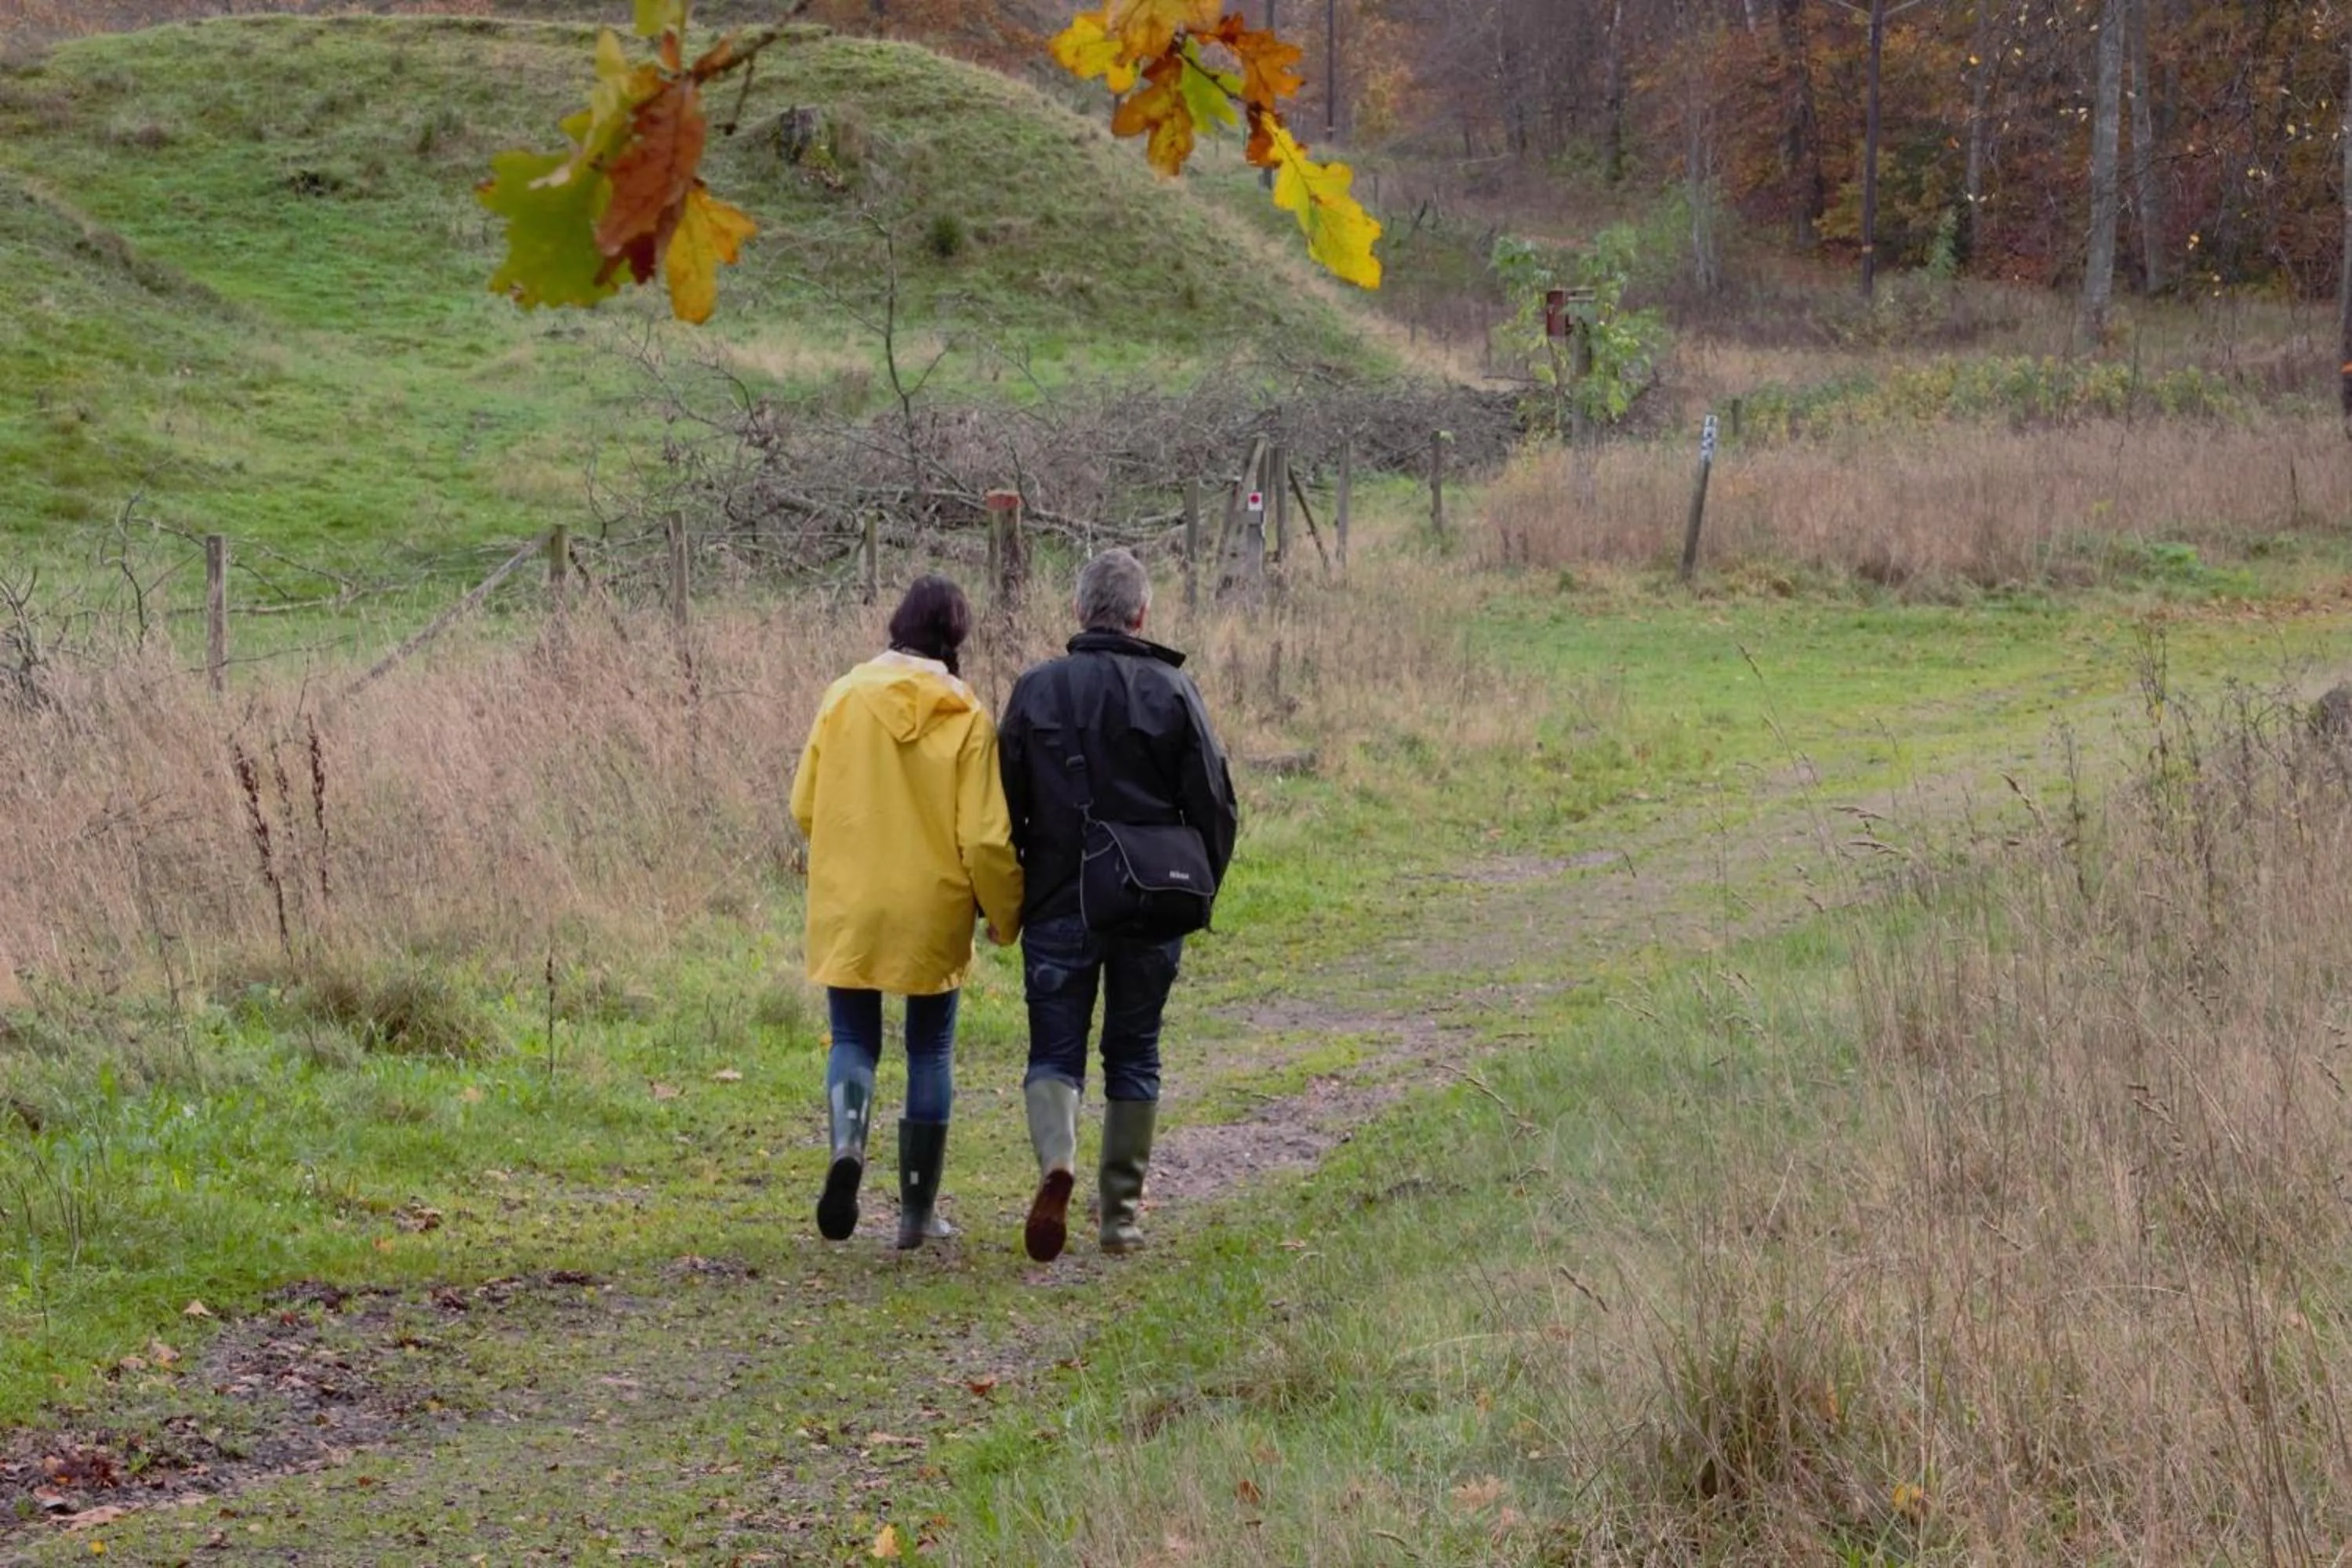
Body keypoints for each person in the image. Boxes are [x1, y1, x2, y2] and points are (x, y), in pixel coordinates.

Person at [998, 548, 1238, 1260]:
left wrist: (1014, 886)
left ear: (1078, 611)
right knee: (1135, 1051)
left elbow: (1001, 804)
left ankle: (1058, 1162)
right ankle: (1121, 1218)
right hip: (1152, 902)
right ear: (1142, 615)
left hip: (1057, 900)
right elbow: (1215, 804)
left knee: (1054, 1051)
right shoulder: (1174, 691)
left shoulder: (1036, 690)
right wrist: (1198, 887)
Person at [790, 576, 1022, 1250]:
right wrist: (1005, 912)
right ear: (955, 639)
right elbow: (984, 838)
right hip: (933, 905)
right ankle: (918, 1212)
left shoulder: (843, 696)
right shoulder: (967, 715)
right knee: (930, 1048)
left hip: (853, 900)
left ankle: (848, 1146)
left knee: (852, 1037)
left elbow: (804, 805)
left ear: (896, 625)